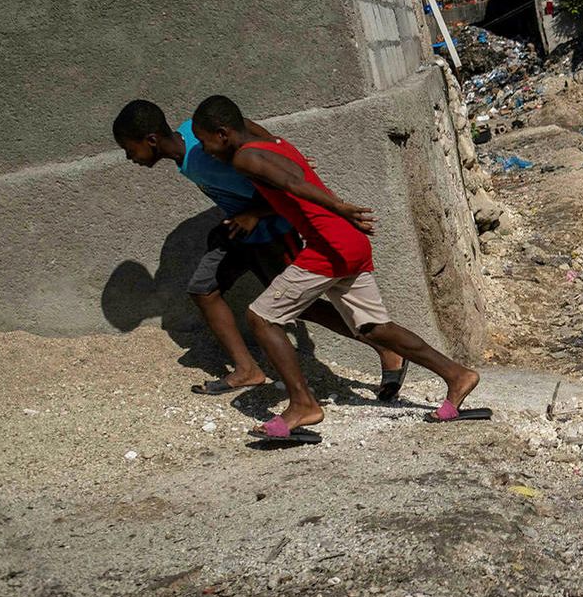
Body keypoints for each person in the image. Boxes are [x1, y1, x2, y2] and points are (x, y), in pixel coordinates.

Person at [190, 95, 483, 441]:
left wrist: (341, 207)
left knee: (261, 317)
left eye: (205, 141)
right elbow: (285, 166)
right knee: (374, 328)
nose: (205, 151)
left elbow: (294, 184)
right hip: (348, 242)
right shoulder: (272, 142)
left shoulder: (244, 158)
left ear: (224, 134)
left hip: (328, 245)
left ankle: (303, 405)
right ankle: (457, 375)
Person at [113, 100, 408, 401]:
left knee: (304, 305)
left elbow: (279, 184)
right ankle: (247, 370)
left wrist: (277, 173)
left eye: (129, 149)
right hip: (240, 232)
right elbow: (252, 130)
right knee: (203, 288)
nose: (129, 157)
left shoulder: (206, 146)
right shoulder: (195, 134)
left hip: (273, 231)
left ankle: (384, 346)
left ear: (150, 140)